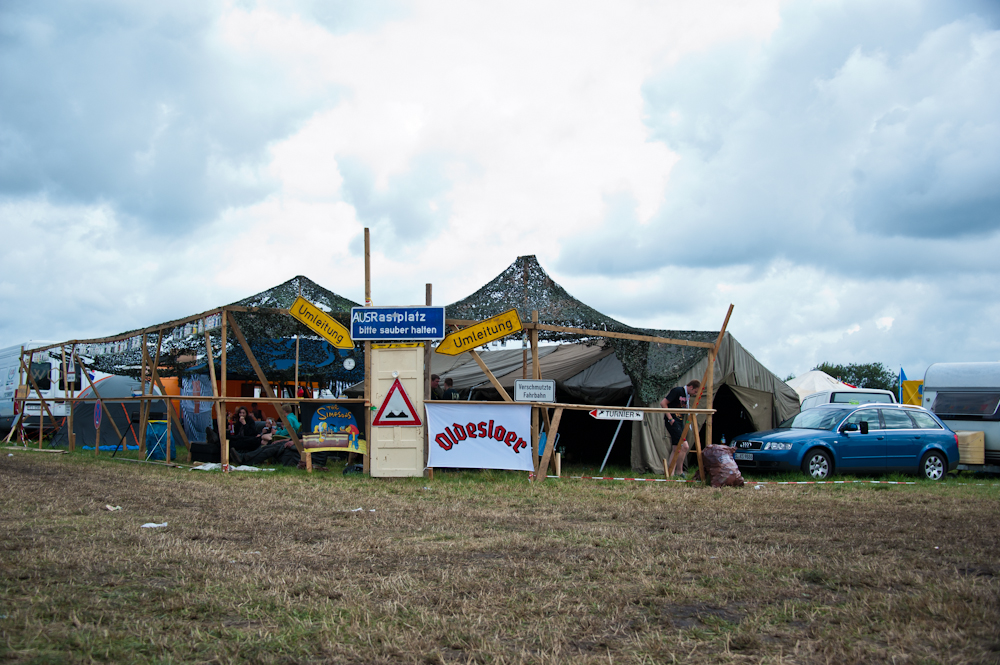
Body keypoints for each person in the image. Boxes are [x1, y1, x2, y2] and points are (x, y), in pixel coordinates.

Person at [661, 380, 701, 474]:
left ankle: (670, 472)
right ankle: (679, 471)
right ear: (691, 387)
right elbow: (663, 403)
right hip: (673, 420)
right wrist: (670, 418)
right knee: (684, 446)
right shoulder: (677, 391)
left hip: (680, 421)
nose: (694, 394)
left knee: (676, 447)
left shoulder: (688, 396)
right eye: (695, 391)